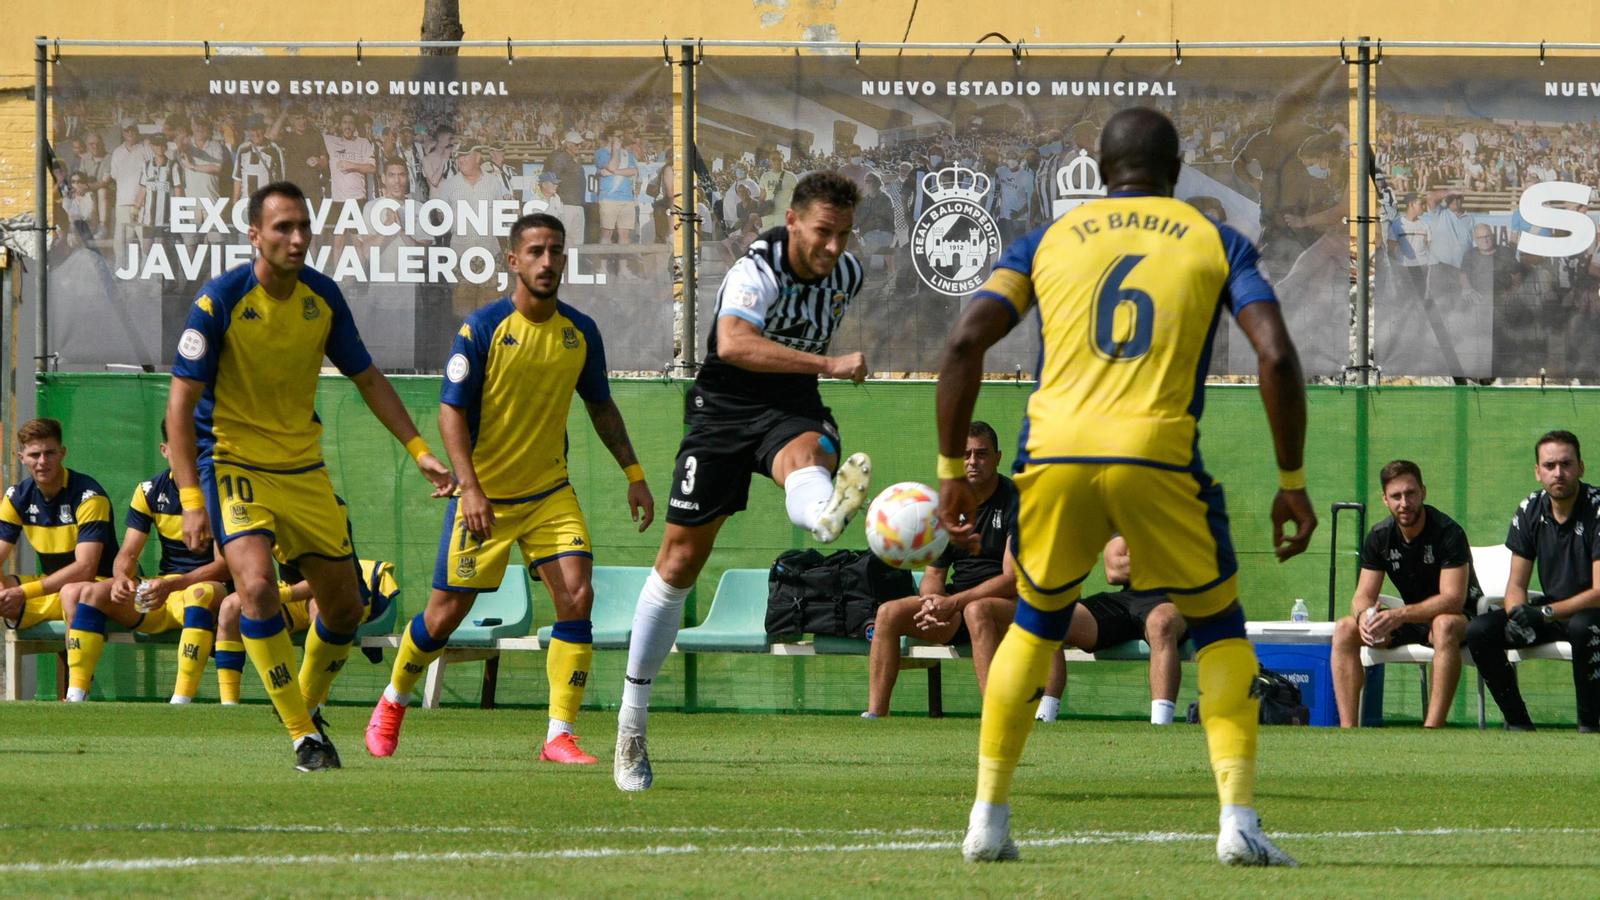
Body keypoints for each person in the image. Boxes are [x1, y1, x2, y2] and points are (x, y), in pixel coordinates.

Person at [935, 108, 1315, 866]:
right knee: (1218, 630)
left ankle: (989, 817)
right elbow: (1274, 354)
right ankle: (1238, 823)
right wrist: (1291, 481)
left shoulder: (1045, 240)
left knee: (1037, 623)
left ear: (1102, 173)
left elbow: (964, 340)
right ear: (1175, 172)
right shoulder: (1214, 239)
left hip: (1053, 458)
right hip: (1158, 457)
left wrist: (951, 471)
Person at [164, 181, 455, 771]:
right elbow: (178, 404)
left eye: (303, 227)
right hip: (234, 463)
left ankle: (304, 703)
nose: (297, 239)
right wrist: (192, 498)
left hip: (303, 468)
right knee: (255, 586)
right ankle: (304, 736)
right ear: (254, 235)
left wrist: (419, 448)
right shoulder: (218, 301)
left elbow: (368, 378)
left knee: (346, 608)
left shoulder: (321, 298)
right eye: (282, 228)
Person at [365, 212, 655, 765]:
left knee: (577, 594)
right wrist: (469, 489)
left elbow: (601, 407)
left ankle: (558, 735)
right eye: (537, 251)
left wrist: (634, 475)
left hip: (549, 493)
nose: (548, 261)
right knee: (445, 615)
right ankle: (393, 700)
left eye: (556, 251)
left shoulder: (580, 333)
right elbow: (450, 414)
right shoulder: (482, 328)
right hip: (486, 498)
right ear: (513, 260)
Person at [615, 172, 871, 792]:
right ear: (792, 222)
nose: (834, 247)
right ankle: (631, 729)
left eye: (843, 234)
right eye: (822, 233)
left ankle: (820, 513)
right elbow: (731, 344)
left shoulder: (849, 274)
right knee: (677, 563)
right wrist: (829, 363)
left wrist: (813, 376)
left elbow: (799, 350)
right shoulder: (757, 270)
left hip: (792, 406)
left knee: (808, 452)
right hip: (722, 410)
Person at [58, 419, 232, 704]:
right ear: (165, 450)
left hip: (209, 589)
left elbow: (225, 566)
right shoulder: (150, 490)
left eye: (196, 449)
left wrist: (174, 584)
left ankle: (181, 701)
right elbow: (127, 553)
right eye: (181, 449)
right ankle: (76, 696)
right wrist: (122, 578)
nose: (190, 457)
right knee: (90, 593)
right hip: (166, 592)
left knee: (199, 593)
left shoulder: (221, 491)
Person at [864, 421, 1022, 717]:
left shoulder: (1017, 501)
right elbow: (935, 574)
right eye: (965, 455)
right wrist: (932, 603)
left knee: (979, 611)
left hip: (1009, 609)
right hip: (957, 608)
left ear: (998, 458)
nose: (973, 462)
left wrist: (955, 603)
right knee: (888, 613)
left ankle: (995, 717)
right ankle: (875, 715)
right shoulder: (949, 505)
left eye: (982, 454)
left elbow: (1012, 580)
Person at [1466, 430, 1600, 733]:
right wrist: (1517, 614)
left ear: (1581, 467)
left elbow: (1599, 591)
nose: (1559, 473)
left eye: (1566, 464)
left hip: (1591, 613)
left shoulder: (1597, 508)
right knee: (1479, 630)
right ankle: (1519, 723)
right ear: (1538, 472)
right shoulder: (1530, 509)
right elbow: (1516, 585)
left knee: (1581, 626)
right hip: (1552, 612)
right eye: (1549, 466)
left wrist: (1542, 613)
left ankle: (1590, 727)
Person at [1330, 460, 1480, 728]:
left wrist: (1399, 615)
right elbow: (1362, 595)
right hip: (1410, 618)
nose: (1404, 503)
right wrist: (1365, 617)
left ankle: (1432, 729)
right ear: (1385, 500)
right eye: (1396, 496)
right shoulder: (1379, 536)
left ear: (1423, 492)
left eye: (1410, 493)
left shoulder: (1448, 532)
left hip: (1461, 619)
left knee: (1443, 624)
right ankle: (1348, 730)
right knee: (1344, 629)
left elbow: (1453, 599)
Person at [212, 499, 397, 707]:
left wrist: (279, 596)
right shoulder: (260, 508)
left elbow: (328, 580)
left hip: (340, 594)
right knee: (230, 607)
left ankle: (314, 703)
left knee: (320, 608)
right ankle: (228, 705)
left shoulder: (328, 505)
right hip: (293, 593)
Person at [1037, 536, 1189, 726]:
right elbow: (1113, 572)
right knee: (1049, 621)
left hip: (1175, 600)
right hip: (1127, 598)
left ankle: (1161, 725)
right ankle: (1045, 718)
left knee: (1160, 623)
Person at [0, 419, 117, 653]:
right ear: (22, 458)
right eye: (34, 455)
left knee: (72, 594)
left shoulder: (88, 495)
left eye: (49, 453)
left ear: (62, 453)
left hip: (96, 587)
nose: (42, 462)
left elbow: (86, 569)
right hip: (50, 586)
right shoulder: (16, 497)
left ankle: (77, 687)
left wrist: (23, 593)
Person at [109, 118, 154, 271]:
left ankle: (146, 275)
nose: (130, 133)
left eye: (132, 129)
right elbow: (114, 176)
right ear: (123, 132)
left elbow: (152, 174)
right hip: (122, 203)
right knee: (120, 242)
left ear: (137, 130)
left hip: (143, 204)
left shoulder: (146, 148)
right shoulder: (117, 152)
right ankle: (119, 271)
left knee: (146, 242)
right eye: (127, 130)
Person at [594, 128, 639, 272]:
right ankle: (603, 268)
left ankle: (623, 269)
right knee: (606, 233)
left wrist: (614, 172)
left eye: (621, 135)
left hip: (627, 198)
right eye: (617, 135)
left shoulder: (627, 153)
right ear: (609, 137)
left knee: (625, 236)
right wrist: (615, 150)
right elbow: (610, 165)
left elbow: (633, 171)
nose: (621, 138)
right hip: (609, 198)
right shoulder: (601, 152)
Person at [268, 105, 328, 199]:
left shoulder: (316, 137)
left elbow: (325, 162)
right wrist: (284, 114)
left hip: (312, 188)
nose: (302, 121)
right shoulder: (288, 137)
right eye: (298, 118)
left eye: (304, 117)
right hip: (293, 188)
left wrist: (318, 160)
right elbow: (271, 136)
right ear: (291, 121)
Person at [232, 115, 287, 203]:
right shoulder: (243, 148)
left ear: (264, 130)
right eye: (253, 130)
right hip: (246, 201)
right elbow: (238, 178)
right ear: (249, 131)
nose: (256, 134)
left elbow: (281, 180)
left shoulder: (274, 149)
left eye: (259, 130)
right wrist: (235, 202)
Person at [545, 132, 588, 244]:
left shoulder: (575, 159)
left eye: (580, 144)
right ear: (568, 145)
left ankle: (571, 261)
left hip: (577, 204)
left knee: (576, 241)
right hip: (566, 205)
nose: (580, 147)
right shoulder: (561, 158)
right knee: (563, 240)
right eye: (577, 144)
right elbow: (553, 178)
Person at [758, 152, 798, 230]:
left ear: (783, 160)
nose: (777, 161)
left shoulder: (790, 177)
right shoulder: (765, 176)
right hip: (768, 214)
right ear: (770, 161)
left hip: (782, 215)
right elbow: (762, 196)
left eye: (780, 159)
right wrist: (759, 215)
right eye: (774, 159)